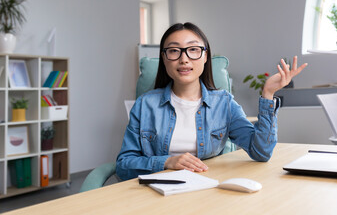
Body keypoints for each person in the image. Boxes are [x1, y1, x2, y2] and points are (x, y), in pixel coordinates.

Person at [116, 22, 307, 181]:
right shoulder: (145, 105)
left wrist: (268, 94)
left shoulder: (223, 103)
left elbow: (261, 152)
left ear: (205, 56)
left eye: (193, 50)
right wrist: (166, 162)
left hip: (207, 189)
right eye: (174, 51)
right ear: (164, 58)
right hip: (157, 191)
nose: (184, 59)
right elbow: (124, 166)